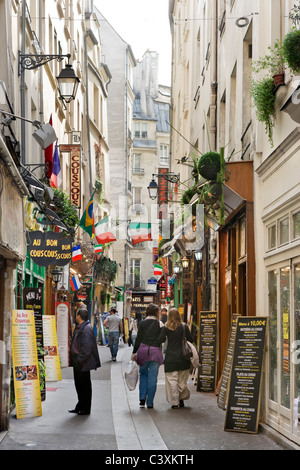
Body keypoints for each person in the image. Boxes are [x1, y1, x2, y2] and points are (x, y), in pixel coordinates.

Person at [69, 307, 101, 415]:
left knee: (84, 386)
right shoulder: (81, 327)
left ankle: (85, 408)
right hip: (79, 361)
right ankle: (80, 405)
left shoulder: (85, 329)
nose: (75, 316)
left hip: (82, 362)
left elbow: (86, 348)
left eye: (76, 314)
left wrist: (79, 360)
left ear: (79, 316)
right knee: (79, 385)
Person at [158, 308, 193, 409]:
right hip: (183, 357)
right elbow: (191, 339)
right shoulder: (184, 326)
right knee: (182, 381)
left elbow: (160, 339)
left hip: (171, 357)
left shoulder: (166, 328)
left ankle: (174, 402)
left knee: (172, 381)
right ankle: (181, 399)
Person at [132, 303, 164, 409]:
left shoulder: (142, 323)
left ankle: (142, 398)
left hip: (143, 351)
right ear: (156, 313)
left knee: (143, 374)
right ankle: (150, 402)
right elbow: (162, 339)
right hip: (155, 352)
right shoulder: (160, 324)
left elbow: (138, 338)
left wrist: (134, 352)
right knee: (153, 377)